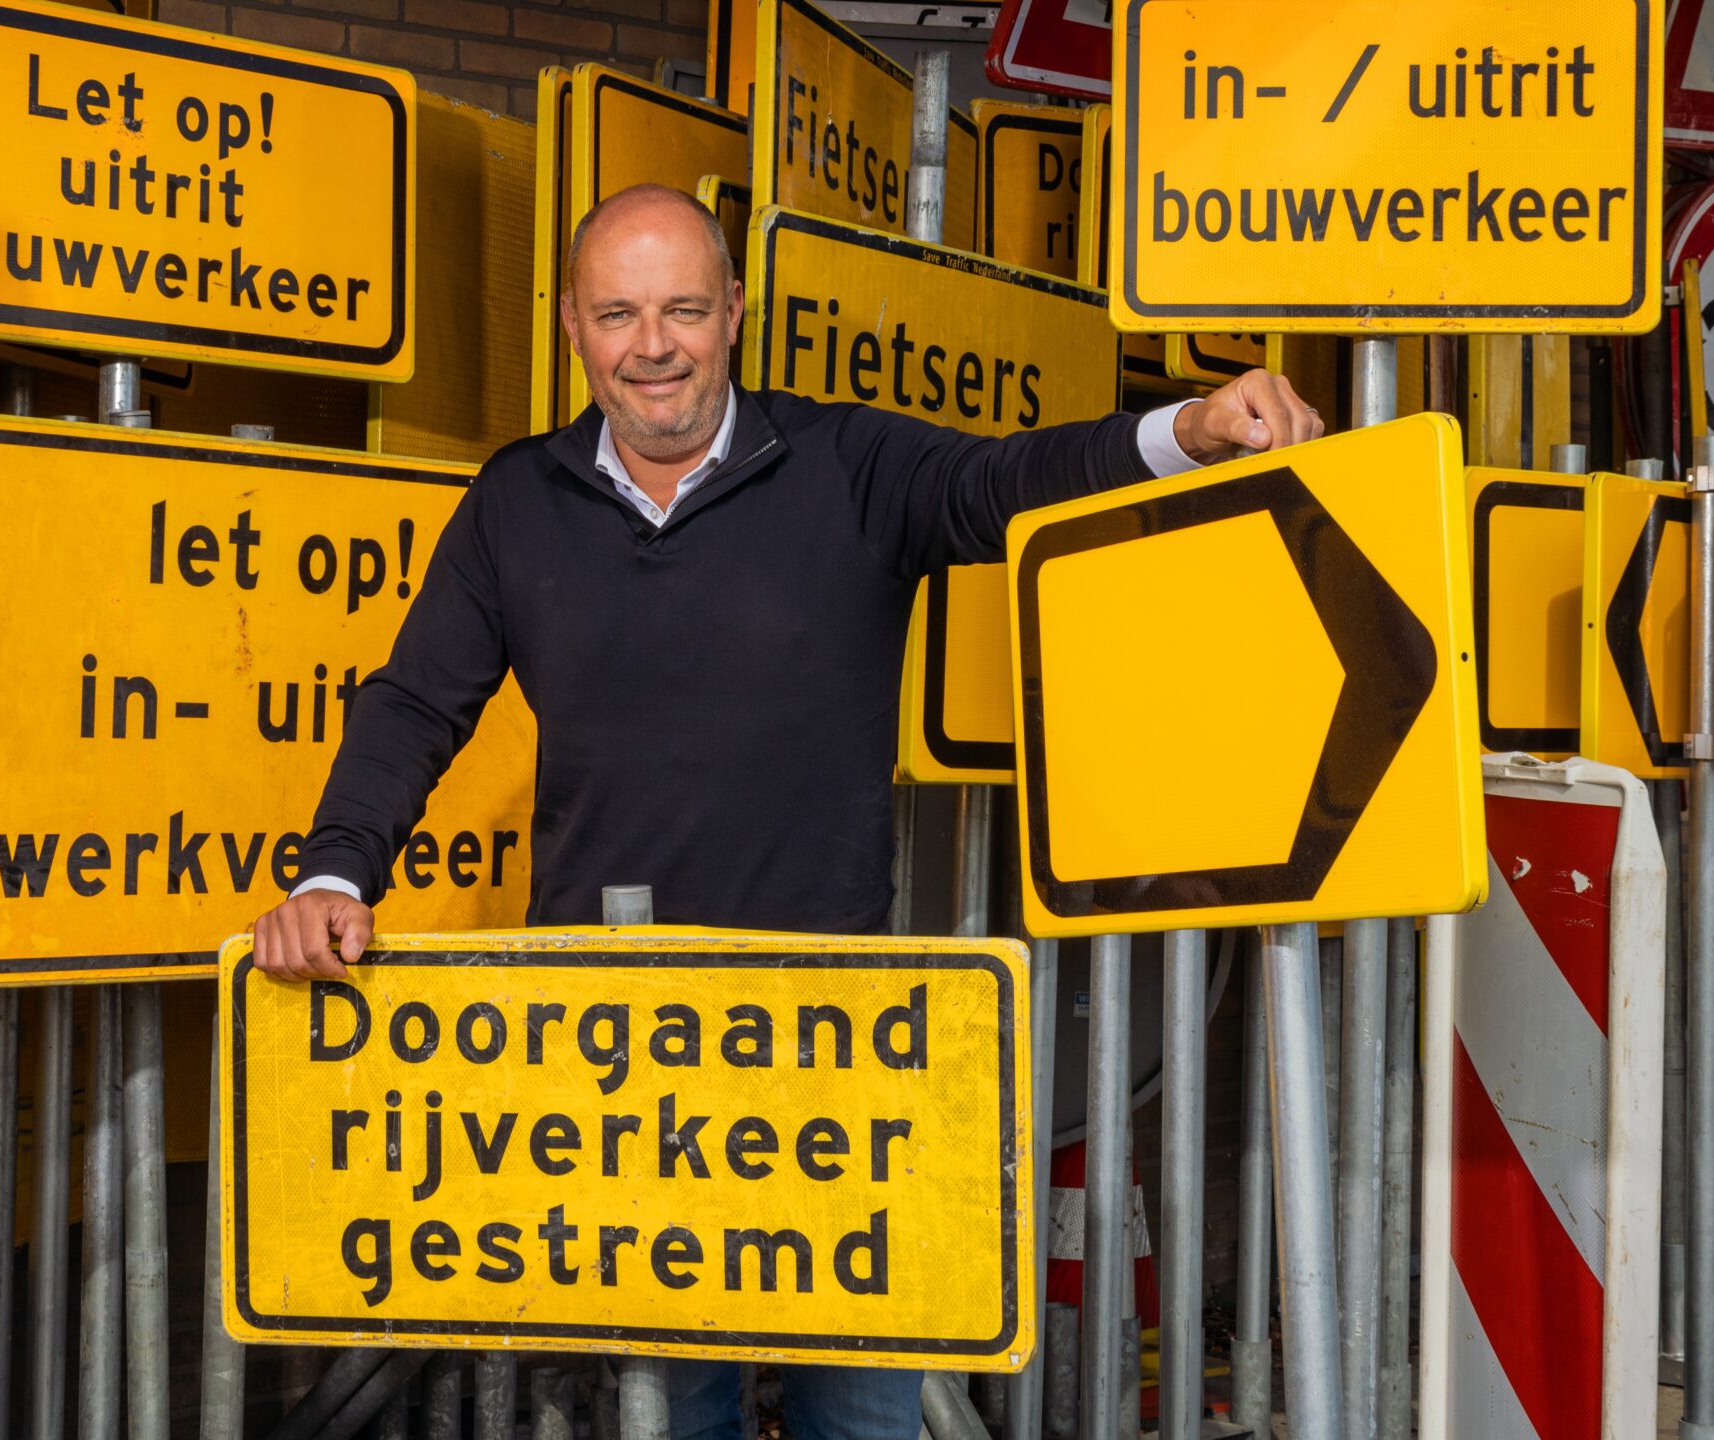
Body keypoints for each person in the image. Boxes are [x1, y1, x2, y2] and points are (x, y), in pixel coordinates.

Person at [248, 182, 1322, 1439]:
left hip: (832, 1041)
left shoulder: (847, 467)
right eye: (618, 313)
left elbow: (1005, 480)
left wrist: (1184, 429)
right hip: (616, 1043)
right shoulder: (515, 499)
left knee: (858, 1410)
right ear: (573, 330)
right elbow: (414, 704)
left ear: (735, 313)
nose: (653, 344)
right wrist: (334, 873)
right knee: (668, 1402)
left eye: (685, 309)